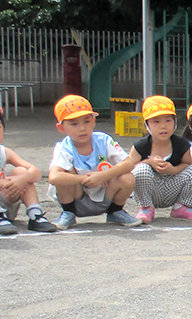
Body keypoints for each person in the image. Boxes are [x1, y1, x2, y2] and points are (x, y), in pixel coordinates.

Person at [0, 97, 57, 235]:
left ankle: (35, 215)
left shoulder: (3, 152)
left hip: (5, 206)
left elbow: (35, 172)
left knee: (22, 172)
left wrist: (20, 180)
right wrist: (4, 182)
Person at [47, 94, 142, 230]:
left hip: (105, 195)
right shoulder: (64, 148)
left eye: (86, 121)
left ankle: (115, 211)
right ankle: (68, 213)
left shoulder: (103, 140)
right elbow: (54, 177)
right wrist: (84, 179)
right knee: (65, 173)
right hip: (77, 198)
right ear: (61, 128)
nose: (82, 128)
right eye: (74, 124)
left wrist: (103, 176)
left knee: (127, 177)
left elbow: (129, 163)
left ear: (93, 121)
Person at [129, 96, 192, 224]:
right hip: (151, 189)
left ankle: (180, 208)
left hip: (172, 188)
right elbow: (129, 167)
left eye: (168, 121)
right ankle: (146, 208)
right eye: (156, 122)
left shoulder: (181, 144)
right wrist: (149, 162)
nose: (163, 126)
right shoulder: (141, 146)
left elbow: (187, 163)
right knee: (140, 169)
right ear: (147, 125)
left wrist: (174, 170)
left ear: (175, 123)